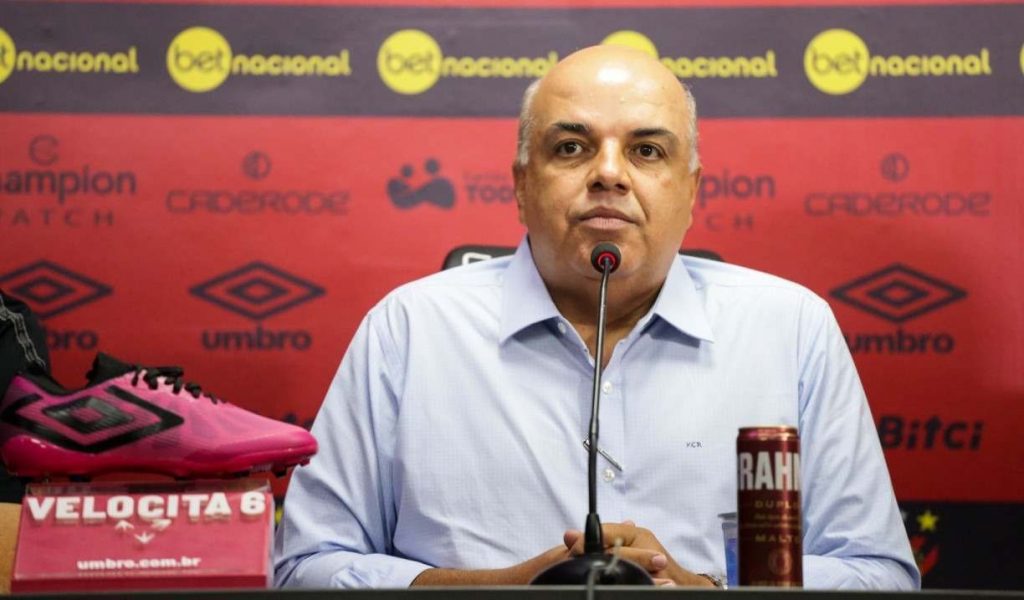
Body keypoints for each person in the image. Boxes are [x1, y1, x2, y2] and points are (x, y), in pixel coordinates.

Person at [274, 45, 919, 590]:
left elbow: (880, 574)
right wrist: (505, 589)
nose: (609, 174)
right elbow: (305, 566)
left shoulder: (790, 328)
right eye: (572, 147)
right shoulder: (411, 329)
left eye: (647, 151)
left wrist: (705, 591)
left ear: (692, 191)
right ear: (521, 185)